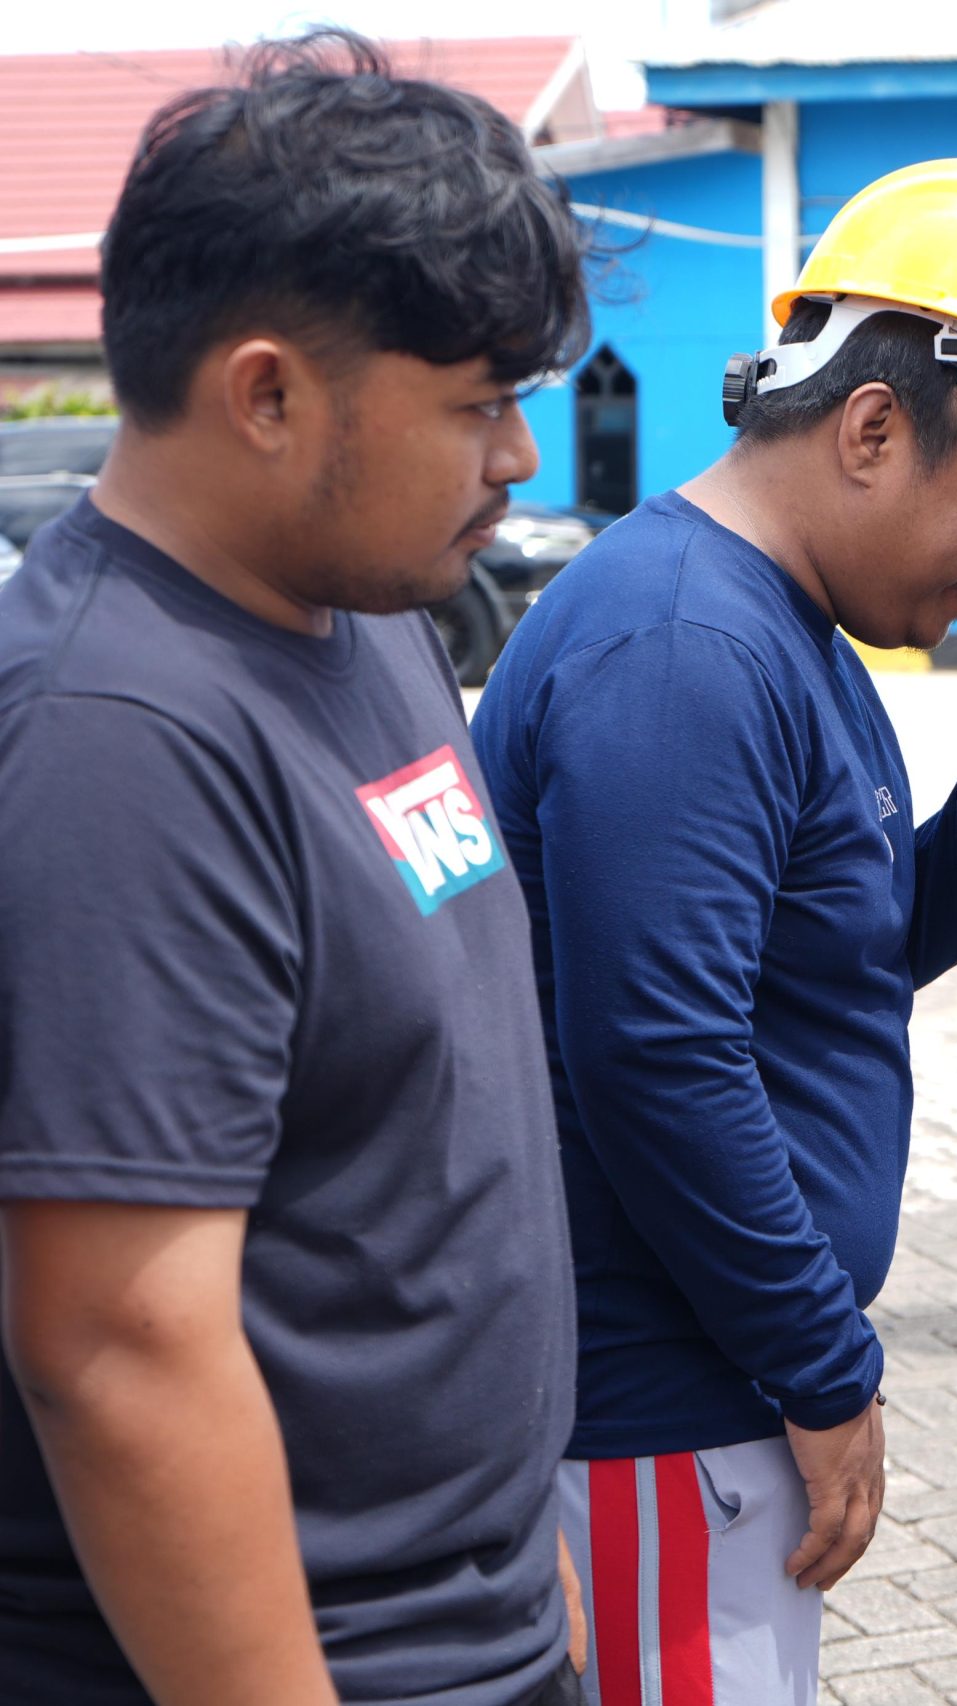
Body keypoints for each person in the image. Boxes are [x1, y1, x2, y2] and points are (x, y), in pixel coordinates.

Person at [0, 32, 591, 1706]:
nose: (521, 462)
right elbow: (119, 1347)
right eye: (476, 406)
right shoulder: (118, 732)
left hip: (455, 1609)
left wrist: (500, 1524)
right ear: (268, 394)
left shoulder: (361, 612)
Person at [471, 160, 957, 1705]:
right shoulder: (686, 646)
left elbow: (826, 971)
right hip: (652, 1404)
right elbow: (659, 1054)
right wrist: (828, 1363)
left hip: (708, 1384)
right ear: (876, 428)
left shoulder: (777, 621)